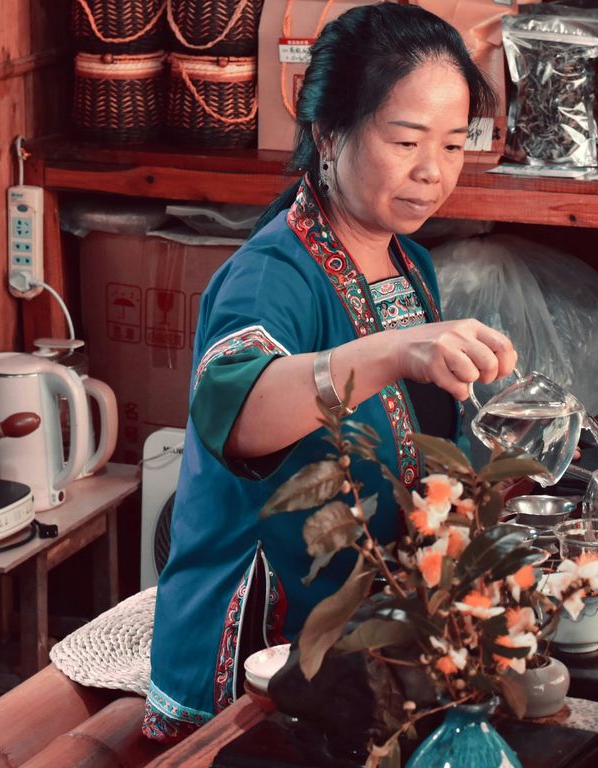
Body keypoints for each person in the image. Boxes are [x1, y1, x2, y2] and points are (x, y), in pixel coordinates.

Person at [143, 3, 517, 743]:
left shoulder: (409, 263)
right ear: (328, 132)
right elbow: (235, 411)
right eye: (406, 140)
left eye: (451, 143)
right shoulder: (269, 279)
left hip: (368, 644)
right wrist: (396, 352)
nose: (432, 172)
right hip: (259, 665)